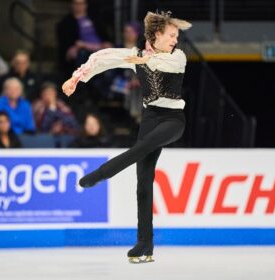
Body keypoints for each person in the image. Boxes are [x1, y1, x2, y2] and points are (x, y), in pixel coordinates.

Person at [62, 11, 192, 263]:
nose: (176, 40)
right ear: (157, 34)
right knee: (143, 182)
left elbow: (163, 64)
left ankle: (101, 174)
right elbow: (103, 57)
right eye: (172, 35)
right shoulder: (137, 56)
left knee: (139, 149)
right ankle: (145, 243)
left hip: (173, 120)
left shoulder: (177, 57)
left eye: (177, 36)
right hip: (151, 118)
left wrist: (141, 60)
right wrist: (76, 77)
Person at [56, 0, 112, 77]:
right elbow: (67, 43)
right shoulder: (66, 23)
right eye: (76, 3)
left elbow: (105, 37)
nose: (79, 6)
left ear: (86, 5)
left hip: (100, 48)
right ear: (72, 5)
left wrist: (106, 43)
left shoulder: (95, 19)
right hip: (83, 52)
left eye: (81, 3)